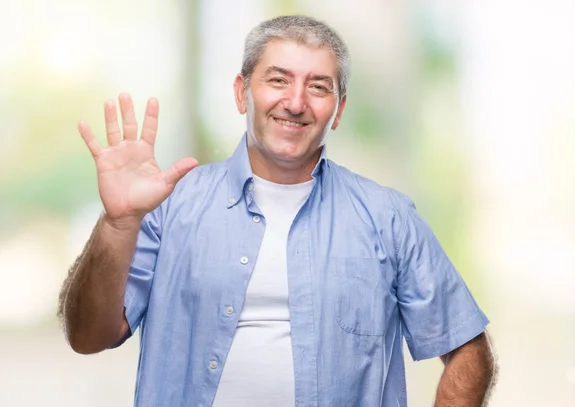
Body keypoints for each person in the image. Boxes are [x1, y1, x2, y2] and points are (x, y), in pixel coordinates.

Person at [58, 15, 497, 407]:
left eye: (319, 86)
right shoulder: (169, 207)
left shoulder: (388, 217)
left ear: (338, 110)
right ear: (241, 92)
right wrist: (119, 223)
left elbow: (468, 350)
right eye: (278, 80)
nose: (296, 102)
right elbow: (87, 336)